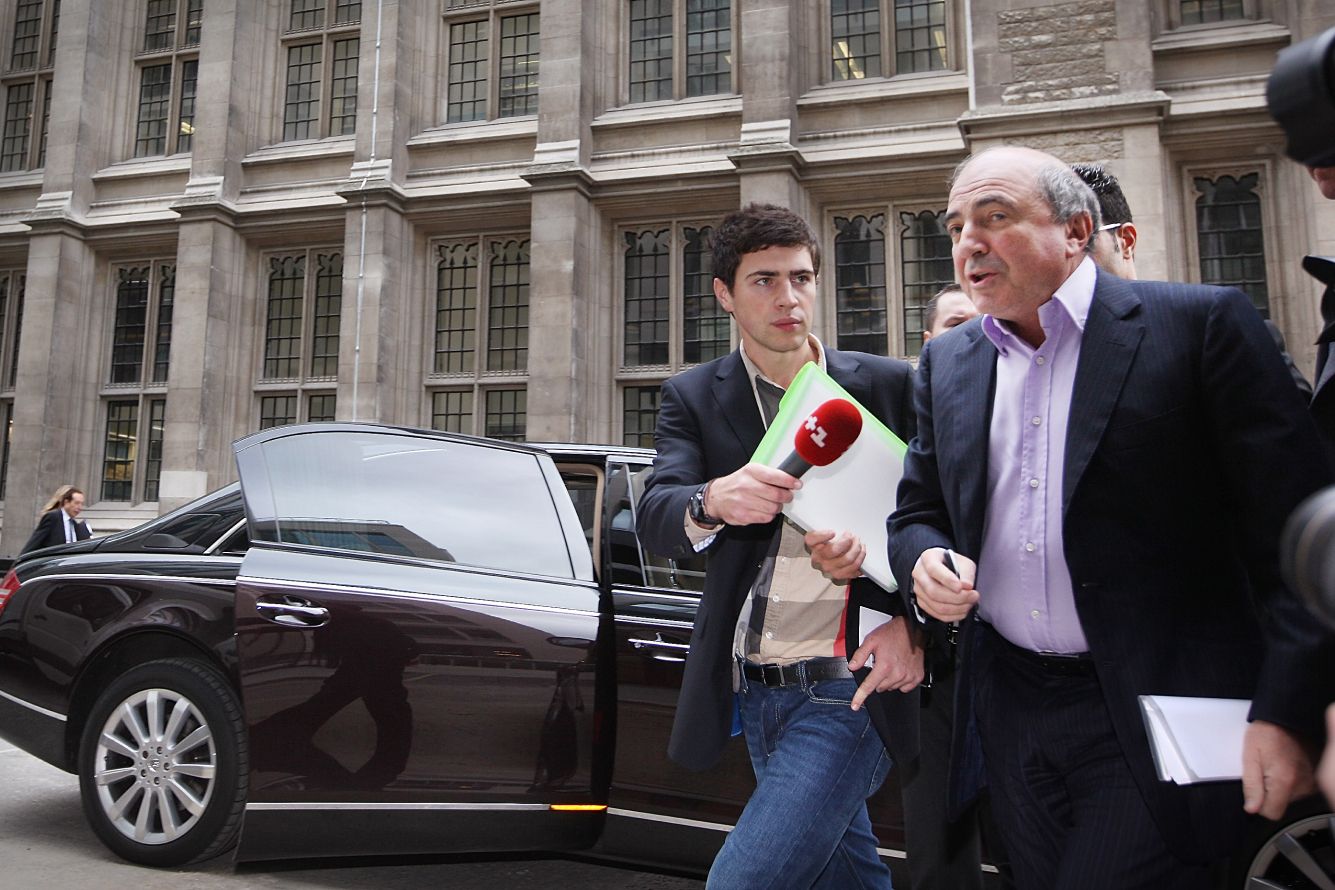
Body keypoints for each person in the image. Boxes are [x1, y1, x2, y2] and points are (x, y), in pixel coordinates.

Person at [888, 146, 1335, 889]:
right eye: (957, 226)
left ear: (1074, 230)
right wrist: (924, 561)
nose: (969, 242)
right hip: (1011, 711)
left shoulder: (1198, 326)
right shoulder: (949, 362)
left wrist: (1286, 708)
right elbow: (918, 509)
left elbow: (1300, 540)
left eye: (995, 217)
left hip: (1158, 709)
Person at [637, 203, 922, 889]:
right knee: (843, 874)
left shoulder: (889, 386)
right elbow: (655, 514)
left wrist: (912, 622)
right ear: (724, 294)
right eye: (764, 280)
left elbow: (944, 521)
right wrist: (712, 499)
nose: (788, 297)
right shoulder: (693, 396)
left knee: (743, 881)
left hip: (851, 685)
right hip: (756, 687)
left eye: (800, 278)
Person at [1072, 161, 1312, 396]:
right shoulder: (1057, 349)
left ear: (1126, 240)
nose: (1067, 256)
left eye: (1080, 237)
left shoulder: (1215, 327)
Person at [899, 282, 991, 890]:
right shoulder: (912, 415)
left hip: (1026, 671)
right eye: (959, 324)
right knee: (941, 857)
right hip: (939, 665)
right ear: (930, 344)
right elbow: (905, 518)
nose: (977, 332)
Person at [21, 485, 91, 555]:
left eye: (81, 504)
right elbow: (35, 542)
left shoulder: (75, 525)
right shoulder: (53, 517)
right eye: (76, 503)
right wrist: (20, 559)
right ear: (66, 502)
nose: (79, 507)